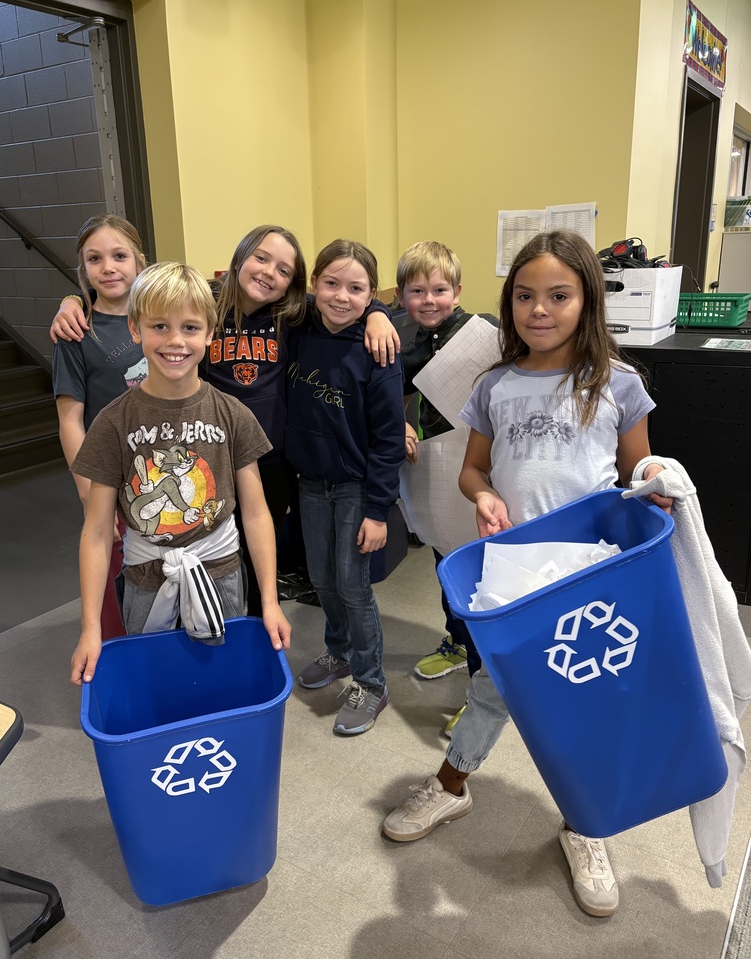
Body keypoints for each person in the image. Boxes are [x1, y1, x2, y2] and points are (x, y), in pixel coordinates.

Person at [382, 230, 673, 918]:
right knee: (493, 689)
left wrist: (657, 476)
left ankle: (585, 824)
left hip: (589, 575)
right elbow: (473, 469)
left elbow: (639, 467)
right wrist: (482, 495)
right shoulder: (495, 386)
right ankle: (452, 787)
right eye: (524, 296)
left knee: (587, 700)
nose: (539, 309)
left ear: (587, 300)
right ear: (508, 302)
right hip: (514, 571)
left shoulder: (618, 383)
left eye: (558, 296)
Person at [53, 224, 399, 615]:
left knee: (251, 555)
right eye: (261, 258)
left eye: (284, 270)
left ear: (294, 284)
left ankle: (250, 623)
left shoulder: (291, 315)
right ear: (239, 259)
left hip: (268, 459)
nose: (270, 272)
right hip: (206, 454)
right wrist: (73, 300)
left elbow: (340, 297)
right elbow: (154, 299)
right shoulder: (207, 304)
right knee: (198, 543)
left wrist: (378, 312)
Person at [69, 262, 291, 686]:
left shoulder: (233, 415)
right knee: (158, 684)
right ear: (136, 329)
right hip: (145, 580)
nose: (175, 341)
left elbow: (257, 513)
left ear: (210, 334)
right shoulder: (112, 424)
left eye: (190, 328)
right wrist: (91, 629)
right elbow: (97, 533)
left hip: (222, 573)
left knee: (222, 681)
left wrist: (270, 600)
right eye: (159, 326)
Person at [287, 240, 406, 736]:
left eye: (357, 289)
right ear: (313, 286)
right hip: (311, 483)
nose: (341, 297)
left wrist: (378, 511)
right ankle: (337, 653)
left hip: (358, 488)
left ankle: (372, 682)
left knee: (354, 586)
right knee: (322, 577)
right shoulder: (296, 330)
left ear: (371, 293)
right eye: (330, 284)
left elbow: (386, 440)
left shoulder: (378, 349)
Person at [396, 240, 499, 734]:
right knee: (443, 563)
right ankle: (457, 643)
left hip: (476, 466)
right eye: (418, 291)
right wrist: (403, 424)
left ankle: (485, 681)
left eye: (440, 289)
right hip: (432, 466)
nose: (430, 299)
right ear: (402, 296)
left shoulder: (485, 335)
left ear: (458, 292)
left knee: (477, 577)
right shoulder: (406, 341)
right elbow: (395, 395)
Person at [52, 214, 148, 640]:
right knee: (114, 577)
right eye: (95, 259)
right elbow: (70, 421)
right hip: (111, 480)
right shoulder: (77, 333)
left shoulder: (160, 314)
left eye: (119, 255)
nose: (108, 267)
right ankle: (113, 656)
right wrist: (90, 496)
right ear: (83, 270)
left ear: (140, 261)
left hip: (167, 468)